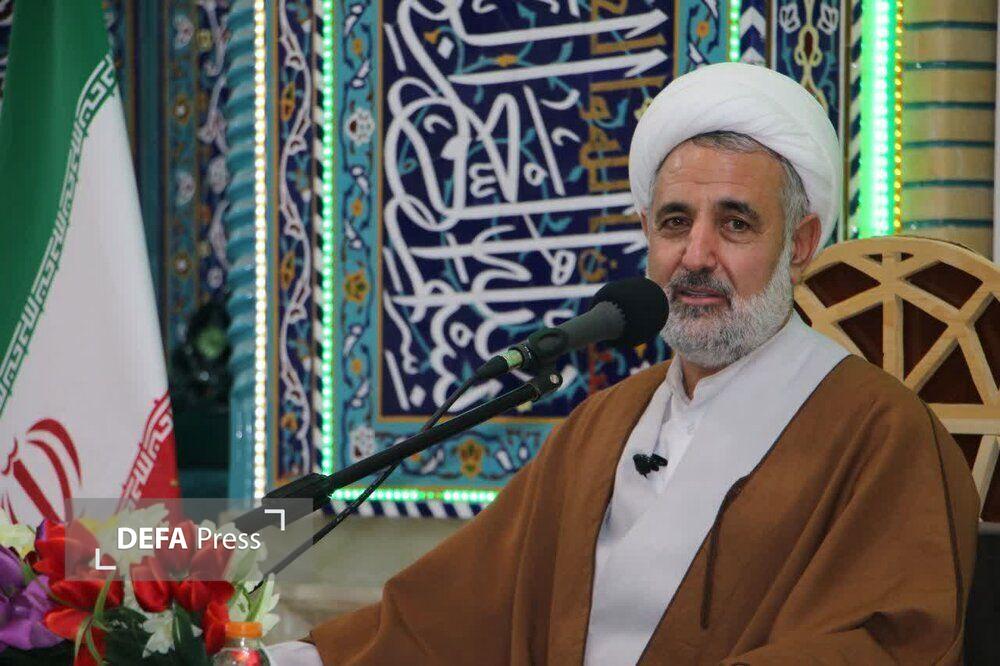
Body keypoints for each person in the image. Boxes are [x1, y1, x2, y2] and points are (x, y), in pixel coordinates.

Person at [272, 63, 979, 664]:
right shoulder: (605, 424)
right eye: (675, 222)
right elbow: (453, 610)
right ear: (647, 235)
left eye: (735, 223)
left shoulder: (879, 432)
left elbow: (882, 644)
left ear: (799, 244)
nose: (696, 256)